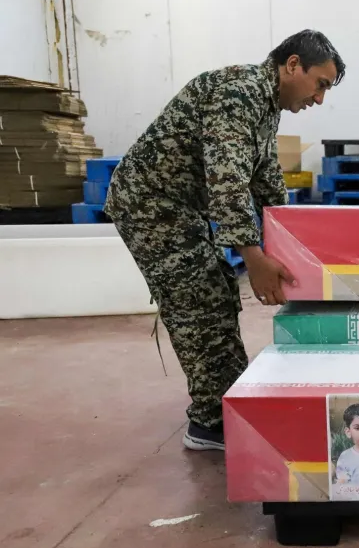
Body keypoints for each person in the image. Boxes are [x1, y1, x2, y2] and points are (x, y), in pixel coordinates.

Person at [103, 30, 346, 451]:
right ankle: (210, 424)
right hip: (151, 204)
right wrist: (253, 257)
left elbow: (266, 177)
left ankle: (226, 405)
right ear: (292, 65)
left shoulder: (267, 105)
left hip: (182, 207)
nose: (319, 98)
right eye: (320, 84)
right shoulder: (238, 94)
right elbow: (227, 181)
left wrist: (294, 241)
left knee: (215, 295)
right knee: (199, 303)